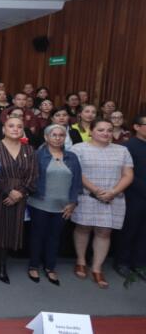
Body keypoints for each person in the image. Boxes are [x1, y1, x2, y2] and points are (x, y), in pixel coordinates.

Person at [71, 119, 133, 289]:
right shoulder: (78, 149)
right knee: (83, 227)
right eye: (101, 130)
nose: (106, 133)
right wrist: (96, 190)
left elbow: (128, 174)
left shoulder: (122, 150)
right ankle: (81, 260)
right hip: (87, 195)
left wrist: (113, 192)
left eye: (109, 130)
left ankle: (97, 268)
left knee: (104, 232)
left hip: (113, 197)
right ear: (91, 131)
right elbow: (76, 173)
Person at [0, 116, 36, 285]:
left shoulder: (29, 150)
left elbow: (33, 176)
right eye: (11, 126)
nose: (15, 129)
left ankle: (2, 266)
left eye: (19, 126)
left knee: (9, 232)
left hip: (19, 198)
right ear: (4, 129)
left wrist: (19, 193)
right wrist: (8, 191)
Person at [27, 124, 81, 285]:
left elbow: (77, 182)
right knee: (37, 236)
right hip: (40, 202)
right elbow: (30, 179)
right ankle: (33, 265)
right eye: (54, 135)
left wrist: (73, 203)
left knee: (55, 237)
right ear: (46, 137)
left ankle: (50, 267)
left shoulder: (72, 157)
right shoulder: (37, 155)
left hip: (63, 206)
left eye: (61, 135)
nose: (57, 138)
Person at [115, 114, 146, 280]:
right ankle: (122, 262)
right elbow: (127, 174)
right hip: (133, 195)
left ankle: (140, 264)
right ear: (136, 127)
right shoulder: (128, 147)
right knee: (129, 230)